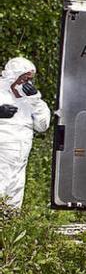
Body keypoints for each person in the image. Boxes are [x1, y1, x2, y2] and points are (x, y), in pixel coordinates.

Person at [0, 57, 50, 208]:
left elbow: (42, 126)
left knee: (15, 193)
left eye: (30, 79)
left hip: (21, 158)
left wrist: (35, 100)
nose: (27, 83)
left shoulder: (32, 100)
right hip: (2, 154)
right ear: (13, 76)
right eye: (24, 78)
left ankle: (9, 227)